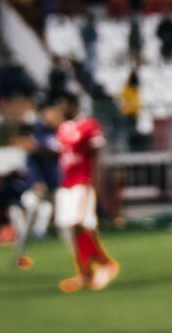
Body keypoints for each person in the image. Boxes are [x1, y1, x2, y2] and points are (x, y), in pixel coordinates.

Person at [53, 89, 119, 292]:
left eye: (64, 105)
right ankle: (85, 273)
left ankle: (106, 264)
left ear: (74, 105)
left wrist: (96, 182)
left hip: (82, 182)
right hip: (66, 184)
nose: (61, 109)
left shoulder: (89, 125)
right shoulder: (63, 128)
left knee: (80, 225)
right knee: (70, 229)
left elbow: (97, 155)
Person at [10, 106, 61, 271]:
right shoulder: (39, 134)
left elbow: (58, 155)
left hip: (60, 184)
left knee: (68, 222)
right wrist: (36, 181)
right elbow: (31, 163)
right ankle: (20, 254)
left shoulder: (61, 132)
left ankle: (81, 257)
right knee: (29, 218)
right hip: (42, 187)